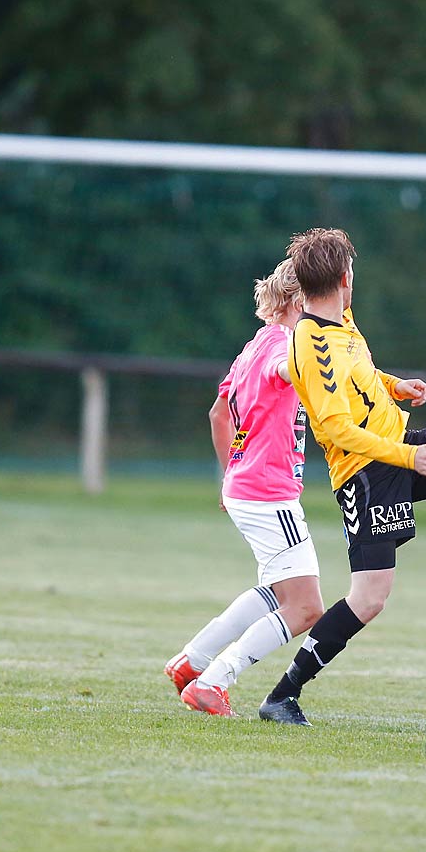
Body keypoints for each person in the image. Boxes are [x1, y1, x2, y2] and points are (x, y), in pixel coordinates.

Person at [257, 227, 426, 726]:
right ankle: (282, 696)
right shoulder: (309, 343)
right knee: (370, 598)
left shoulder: (341, 318)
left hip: (402, 445)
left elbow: (359, 372)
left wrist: (395, 385)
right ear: (346, 277)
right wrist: (408, 460)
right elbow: (337, 429)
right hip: (366, 475)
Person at [165, 260, 324, 716]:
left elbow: (219, 414)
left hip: (245, 487)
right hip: (270, 494)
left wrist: (229, 472)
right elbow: (288, 368)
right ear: (299, 302)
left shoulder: (253, 345)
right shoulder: (285, 348)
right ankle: (213, 681)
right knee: (306, 608)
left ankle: (190, 661)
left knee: (277, 593)